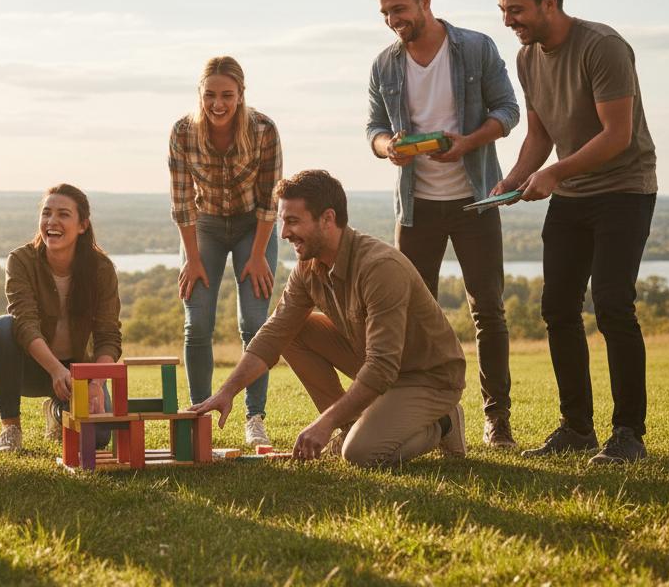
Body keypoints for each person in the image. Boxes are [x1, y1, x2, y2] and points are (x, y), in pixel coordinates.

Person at [490, 0, 658, 465]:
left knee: (612, 305)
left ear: (549, 2)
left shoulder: (602, 46)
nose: (508, 20)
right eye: (503, 10)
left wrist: (555, 174)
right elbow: (539, 135)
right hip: (572, 195)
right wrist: (514, 179)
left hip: (624, 190)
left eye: (516, 9)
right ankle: (577, 428)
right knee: (558, 308)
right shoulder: (527, 58)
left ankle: (628, 434)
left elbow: (617, 135)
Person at [190, 170, 467, 467]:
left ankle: (444, 423)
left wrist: (325, 422)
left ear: (327, 219)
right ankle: (351, 426)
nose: (284, 233)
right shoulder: (308, 266)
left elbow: (382, 367)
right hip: (379, 363)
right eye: (283, 221)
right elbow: (275, 333)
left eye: (293, 221)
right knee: (293, 331)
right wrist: (227, 392)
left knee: (360, 453)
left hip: (427, 377)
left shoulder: (380, 268)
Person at [365, 0, 521, 448]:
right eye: (385, 13)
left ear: (425, 1)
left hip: (475, 201)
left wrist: (468, 142)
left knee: (488, 311)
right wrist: (389, 147)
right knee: (412, 316)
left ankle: (497, 419)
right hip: (416, 209)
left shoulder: (476, 47)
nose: (393, 20)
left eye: (399, 9)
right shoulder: (384, 65)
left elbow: (508, 111)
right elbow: (374, 129)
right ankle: (431, 417)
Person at [169, 55, 282, 446]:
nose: (218, 104)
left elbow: (270, 200)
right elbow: (182, 203)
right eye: (210, 95)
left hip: (255, 227)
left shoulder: (263, 129)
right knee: (197, 322)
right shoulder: (183, 132)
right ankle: (199, 413)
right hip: (205, 227)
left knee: (255, 323)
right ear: (200, 94)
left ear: (241, 94)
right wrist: (192, 258)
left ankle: (255, 417)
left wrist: (258, 255)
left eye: (227, 95)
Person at [0, 184, 122, 455]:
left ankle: (58, 412)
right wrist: (56, 370)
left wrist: (96, 384)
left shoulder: (102, 269)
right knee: (2, 327)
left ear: (82, 226)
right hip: (33, 367)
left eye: (63, 214)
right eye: (47, 213)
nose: (52, 221)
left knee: (98, 438)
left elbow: (108, 336)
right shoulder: (21, 260)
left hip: (78, 371)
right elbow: (25, 323)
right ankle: (10, 428)